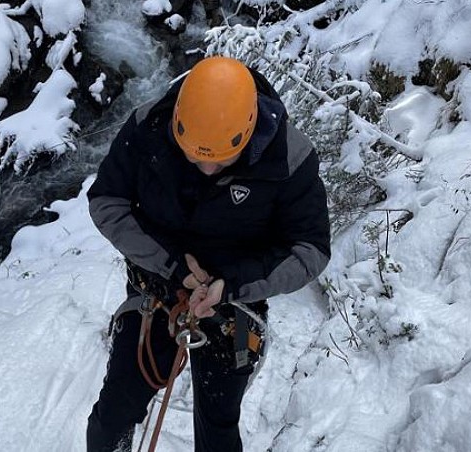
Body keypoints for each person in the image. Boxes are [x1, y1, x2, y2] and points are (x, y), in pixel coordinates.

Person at [85, 56, 331, 452]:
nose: (206, 168)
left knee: (217, 428)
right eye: (195, 155)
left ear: (249, 131)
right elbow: (107, 202)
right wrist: (173, 266)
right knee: (113, 414)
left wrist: (229, 284)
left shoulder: (290, 158)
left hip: (234, 306)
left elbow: (310, 249)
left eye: (221, 159)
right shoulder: (148, 128)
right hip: (157, 292)